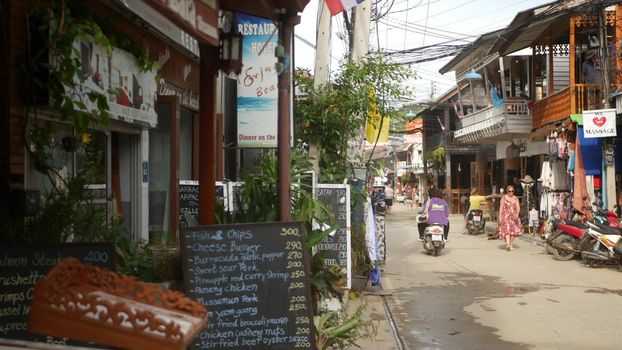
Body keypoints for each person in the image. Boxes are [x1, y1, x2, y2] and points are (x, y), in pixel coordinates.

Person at [499, 185, 522, 251]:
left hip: (513, 217)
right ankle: (508, 245)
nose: (511, 192)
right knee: (507, 231)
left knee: (513, 232)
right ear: (507, 191)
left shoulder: (515, 198)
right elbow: (501, 207)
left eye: (512, 191)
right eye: (509, 191)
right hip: (505, 216)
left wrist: (517, 214)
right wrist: (500, 217)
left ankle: (510, 244)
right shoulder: (504, 198)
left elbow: (518, 208)